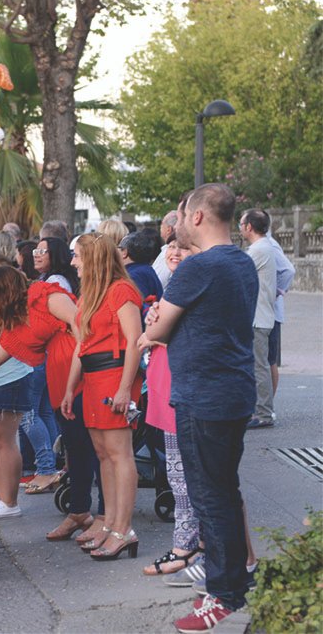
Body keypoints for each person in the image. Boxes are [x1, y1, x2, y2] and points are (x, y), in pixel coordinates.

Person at [141, 183, 257, 632]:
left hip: (203, 395)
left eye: (182, 213)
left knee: (211, 497)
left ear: (197, 217)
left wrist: (156, 324)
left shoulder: (197, 268)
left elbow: (161, 329)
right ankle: (232, 582)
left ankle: (223, 595)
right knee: (224, 491)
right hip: (233, 391)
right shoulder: (241, 261)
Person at [61, 233, 142, 561]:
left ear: (93, 259)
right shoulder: (90, 294)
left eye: (78, 256)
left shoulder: (122, 291)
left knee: (119, 453)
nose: (73, 263)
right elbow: (82, 345)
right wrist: (70, 387)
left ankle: (123, 528)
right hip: (94, 379)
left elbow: (135, 339)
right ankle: (110, 525)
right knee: (103, 453)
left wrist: (125, 387)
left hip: (114, 376)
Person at [0, 266, 81, 500]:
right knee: (74, 441)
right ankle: (80, 509)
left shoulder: (43, 295)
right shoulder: (18, 318)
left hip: (78, 369)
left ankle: (91, 512)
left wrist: (80, 369)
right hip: (59, 372)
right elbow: (0, 351)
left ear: (4, 289)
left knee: (83, 441)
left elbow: (80, 326)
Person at [138, 232, 202, 576]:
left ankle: (187, 548)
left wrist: (150, 334)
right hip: (165, 382)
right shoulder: (175, 284)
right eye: (172, 247)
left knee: (185, 477)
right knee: (178, 475)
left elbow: (161, 332)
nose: (175, 252)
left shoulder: (191, 283)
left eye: (183, 246)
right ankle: (187, 546)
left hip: (180, 385)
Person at [0, 270, 37, 521]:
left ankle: (9, 501)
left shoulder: (16, 314)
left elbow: (9, 348)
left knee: (3, 440)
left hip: (10, 378)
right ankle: (4, 499)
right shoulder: (2, 312)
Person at [239, 209, 277, 429]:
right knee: (256, 364)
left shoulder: (259, 249)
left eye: (241, 224)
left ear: (249, 227)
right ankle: (258, 410)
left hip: (257, 317)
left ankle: (263, 412)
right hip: (259, 316)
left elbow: (236, 269)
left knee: (259, 366)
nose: (240, 228)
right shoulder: (263, 247)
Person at [266, 231, 295, 396]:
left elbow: (288, 270)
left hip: (270, 314)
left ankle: (268, 406)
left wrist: (276, 292)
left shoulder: (269, 245)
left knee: (269, 360)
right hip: (267, 313)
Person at [120, 231, 164, 311]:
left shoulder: (133, 276)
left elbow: (136, 307)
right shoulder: (146, 269)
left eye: (119, 248)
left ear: (124, 252)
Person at [153, 211, 179, 287]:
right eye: (172, 247)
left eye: (161, 224)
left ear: (168, 229)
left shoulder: (170, 254)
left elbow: (158, 281)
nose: (176, 252)